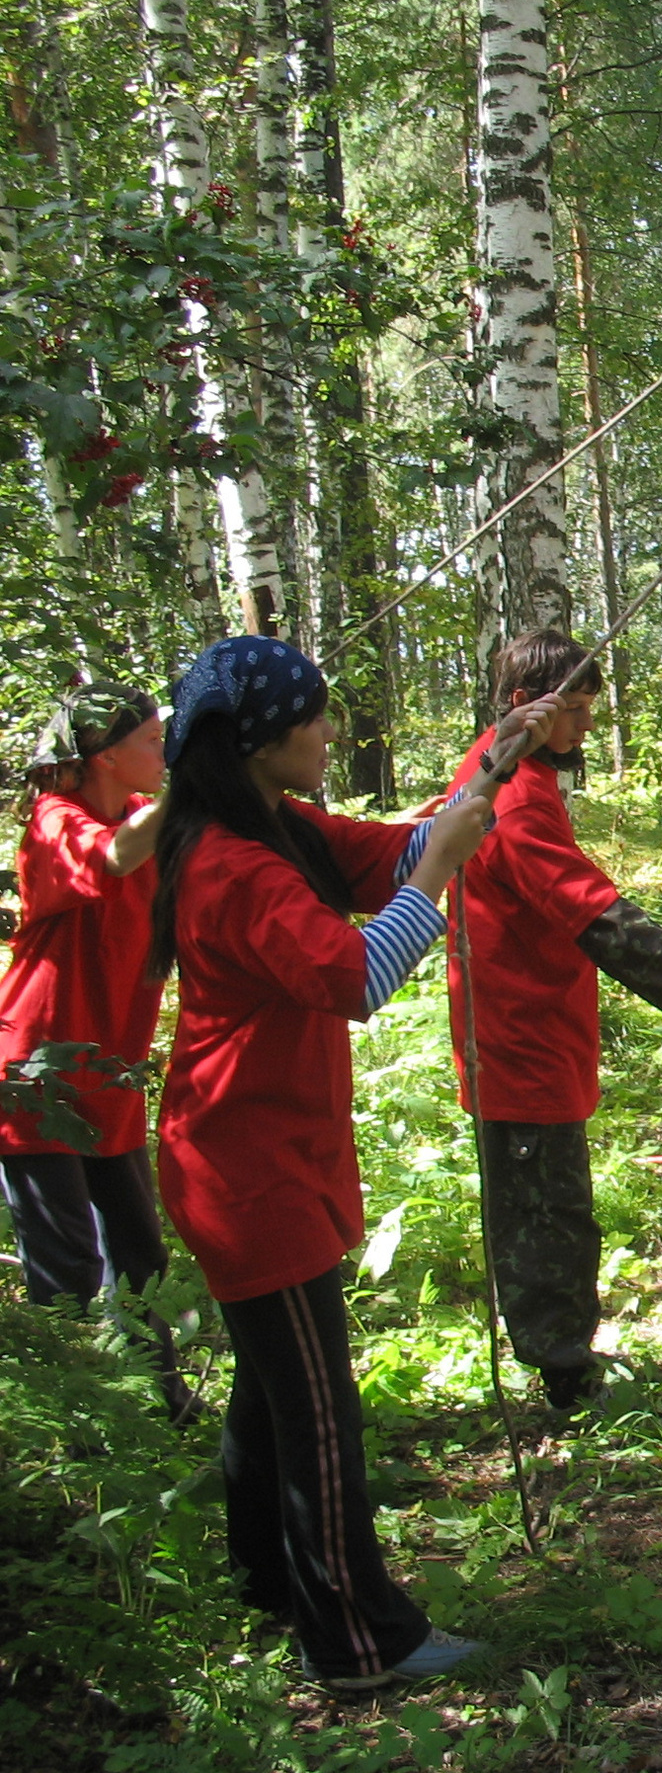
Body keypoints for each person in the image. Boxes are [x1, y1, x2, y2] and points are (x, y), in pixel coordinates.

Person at [149, 636, 547, 1693]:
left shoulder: (272, 824)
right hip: (247, 1174)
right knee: (319, 1410)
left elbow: (381, 855)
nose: (331, 732)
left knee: (271, 1394)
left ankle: (265, 1583)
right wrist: (441, 867)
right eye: (313, 719)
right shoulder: (234, 866)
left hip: (263, 1157)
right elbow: (359, 974)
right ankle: (357, 1640)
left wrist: (489, 767)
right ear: (258, 742)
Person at [447, 630, 662, 1410]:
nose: (586, 729)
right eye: (576, 712)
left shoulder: (516, 768)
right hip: (513, 1035)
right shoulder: (509, 794)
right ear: (529, 708)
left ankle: (564, 1360)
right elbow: (589, 908)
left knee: (556, 1200)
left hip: (539, 1024)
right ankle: (563, 1378)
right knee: (544, 1212)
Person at [0, 684, 192, 1413]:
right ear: (106, 758)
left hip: (108, 1079)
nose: (163, 756)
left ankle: (160, 1405)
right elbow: (110, 857)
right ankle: (83, 1431)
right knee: (69, 1270)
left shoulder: (145, 816)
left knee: (140, 1255)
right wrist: (193, 785)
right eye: (151, 743)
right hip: (36, 1078)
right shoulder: (57, 822)